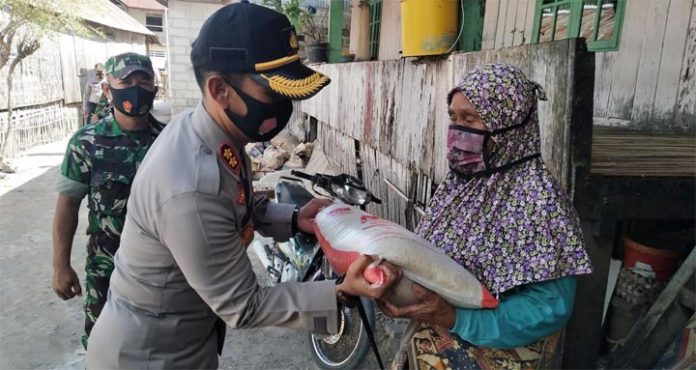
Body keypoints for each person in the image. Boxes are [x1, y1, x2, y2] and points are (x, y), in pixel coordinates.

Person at [84, 3, 401, 369]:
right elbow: (244, 307)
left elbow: (231, 207)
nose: (286, 107)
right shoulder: (191, 183)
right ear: (219, 89)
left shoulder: (212, 131)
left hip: (185, 337)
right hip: (149, 355)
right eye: (274, 92)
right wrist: (342, 294)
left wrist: (296, 218)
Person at [378, 64, 594, 369]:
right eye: (453, 118)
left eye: (471, 119)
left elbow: (549, 307)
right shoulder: (463, 183)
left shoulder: (539, 200)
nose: (457, 131)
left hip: (494, 354)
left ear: (508, 125)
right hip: (436, 340)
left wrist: (455, 318)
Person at [51, 53, 165, 350]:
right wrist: (60, 266)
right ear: (107, 90)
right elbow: (67, 206)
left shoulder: (169, 141)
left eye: (144, 81)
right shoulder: (87, 142)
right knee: (104, 346)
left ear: (155, 88)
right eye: (126, 81)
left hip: (160, 270)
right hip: (106, 268)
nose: (136, 87)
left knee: (158, 345)